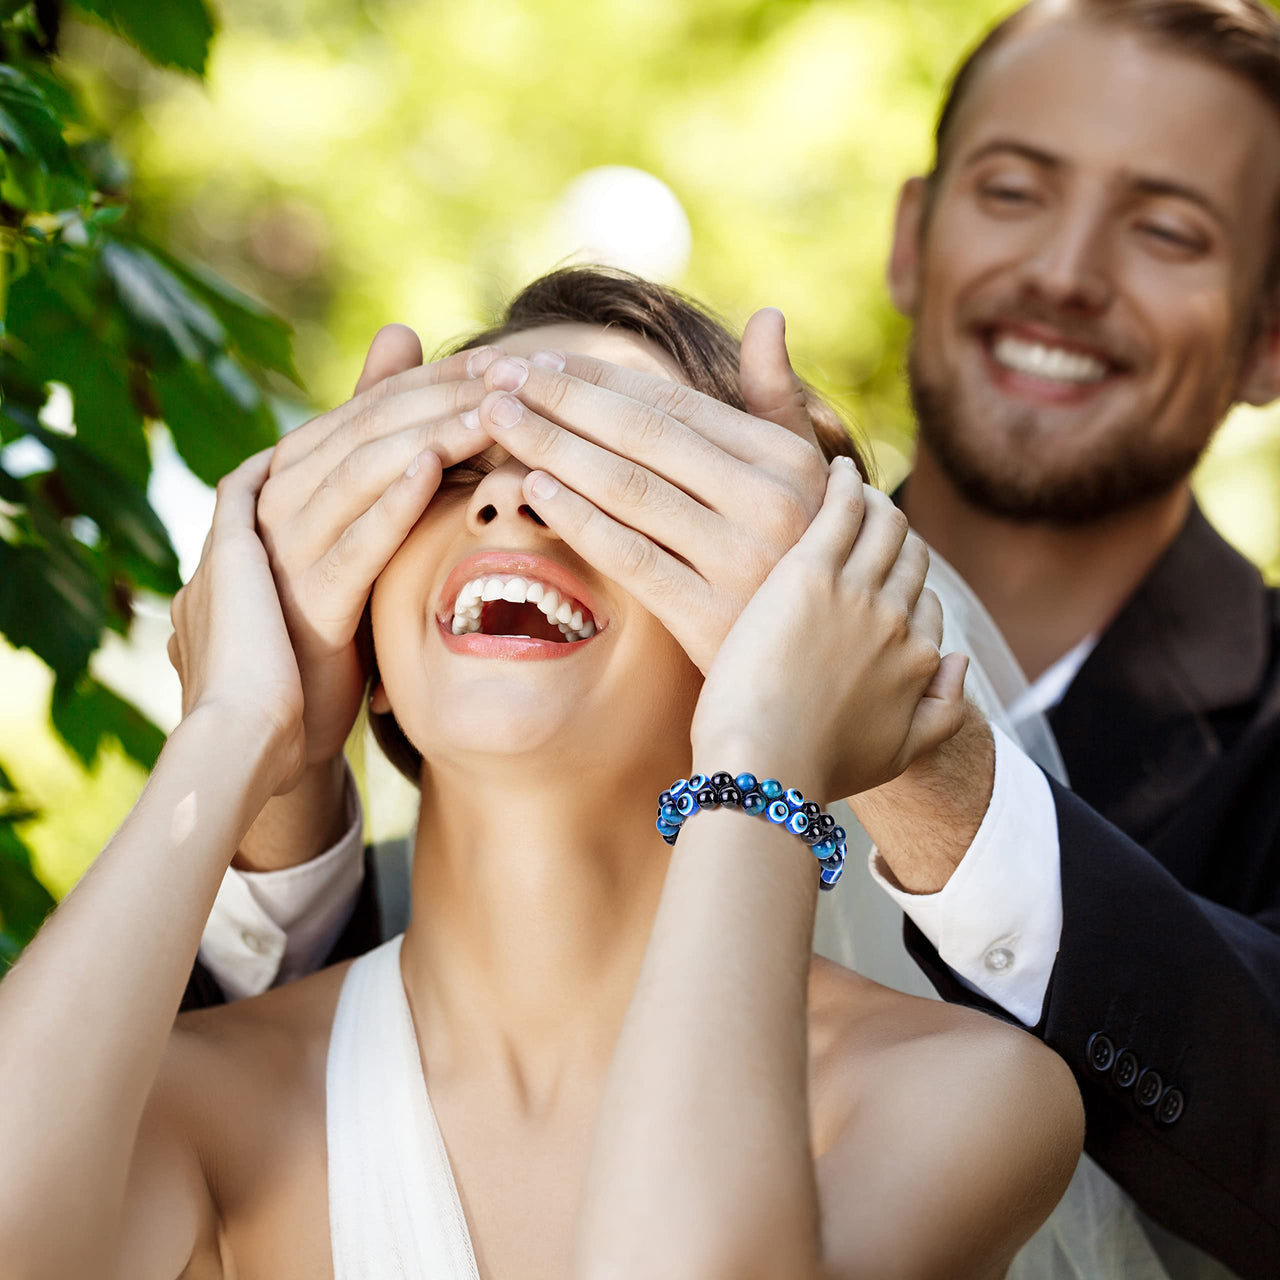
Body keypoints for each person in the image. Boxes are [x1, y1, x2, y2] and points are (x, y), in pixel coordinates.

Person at [193, 1, 1280, 1274]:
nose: (1064, 271)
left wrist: (924, 773)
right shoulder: (483, 798)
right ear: (910, 237)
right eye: (1011, 190)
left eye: (1165, 228)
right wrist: (273, 792)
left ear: (1267, 333)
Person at [0, 270, 1083, 1280]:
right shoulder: (200, 1097)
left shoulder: (955, 1095)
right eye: (453, 470)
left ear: (769, 626)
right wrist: (238, 719)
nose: (508, 501)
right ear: (362, 646)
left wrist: (766, 743)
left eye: (616, 479)